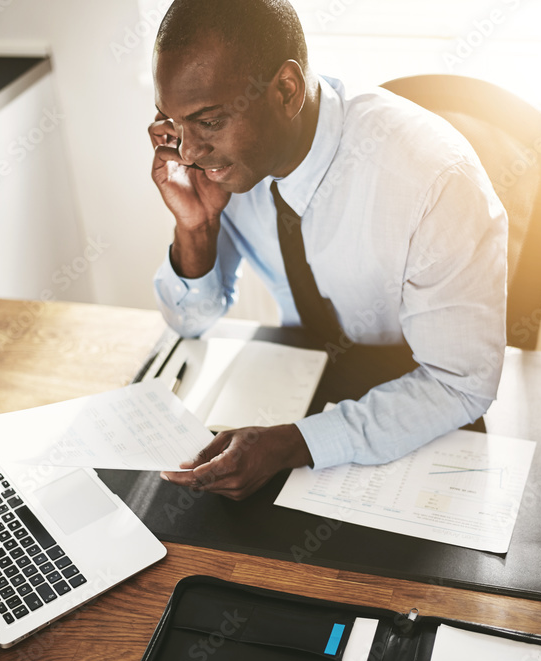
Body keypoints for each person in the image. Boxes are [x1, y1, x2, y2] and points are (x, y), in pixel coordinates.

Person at [148, 0, 507, 500]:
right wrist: (196, 227)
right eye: (173, 123)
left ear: (286, 90)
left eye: (208, 121)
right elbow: (189, 322)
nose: (186, 151)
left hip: (417, 401)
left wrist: (292, 444)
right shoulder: (220, 167)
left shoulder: (433, 178)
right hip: (299, 380)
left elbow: (460, 384)